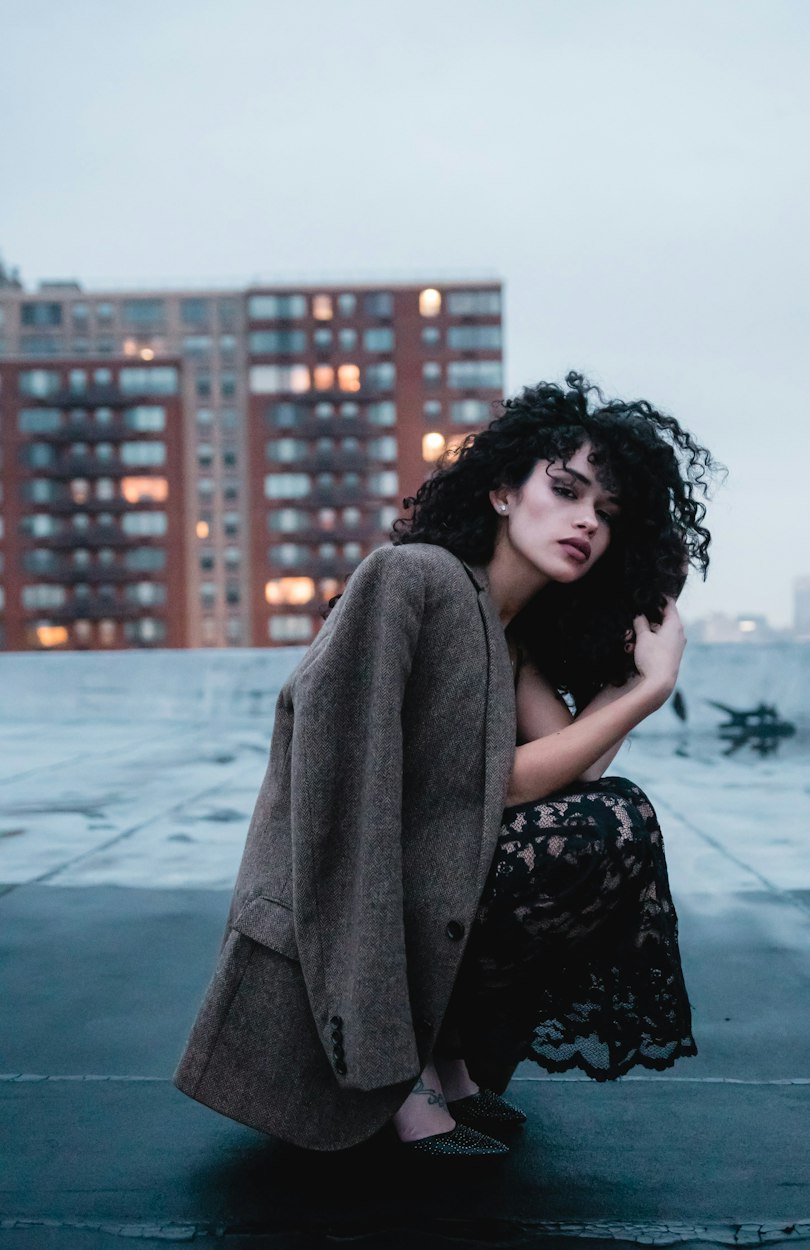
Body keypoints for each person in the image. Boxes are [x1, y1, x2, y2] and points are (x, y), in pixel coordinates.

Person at [174, 371, 718, 1158]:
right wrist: (653, 690)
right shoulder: (415, 579)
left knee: (608, 829)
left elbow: (579, 778)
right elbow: (492, 787)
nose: (584, 523)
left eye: (606, 514)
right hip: (337, 908)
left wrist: (635, 679)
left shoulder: (509, 635)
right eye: (564, 491)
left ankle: (444, 1050)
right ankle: (404, 1072)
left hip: (420, 877)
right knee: (609, 824)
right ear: (503, 492)